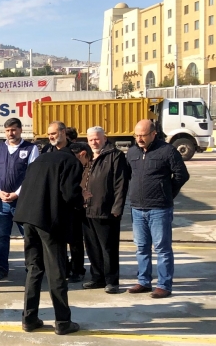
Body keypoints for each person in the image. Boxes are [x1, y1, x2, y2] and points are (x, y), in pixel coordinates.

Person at [13, 144, 84, 335]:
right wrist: (82, 198)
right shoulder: (72, 162)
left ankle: (29, 319)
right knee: (56, 271)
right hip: (49, 222)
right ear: (82, 154)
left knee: (34, 269)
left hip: (28, 217)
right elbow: (69, 193)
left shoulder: (40, 160)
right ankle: (63, 321)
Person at [127, 119, 190, 298]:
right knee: (141, 247)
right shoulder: (132, 152)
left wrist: (167, 193)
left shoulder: (167, 151)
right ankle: (143, 281)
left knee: (162, 248)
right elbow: (129, 175)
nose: (139, 139)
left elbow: (182, 175)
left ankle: (164, 285)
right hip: (137, 208)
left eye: (143, 135)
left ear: (153, 134)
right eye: (136, 135)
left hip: (159, 209)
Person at [81, 126, 130, 294]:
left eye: (96, 139)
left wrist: (117, 207)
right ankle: (97, 277)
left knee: (108, 248)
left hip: (106, 209)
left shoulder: (115, 156)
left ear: (104, 138)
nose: (94, 142)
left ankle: (111, 281)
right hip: (87, 209)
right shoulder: (87, 156)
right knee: (92, 247)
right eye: (90, 139)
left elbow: (121, 183)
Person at [0, 118, 39, 280]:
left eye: (13, 130)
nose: (10, 133)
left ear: (20, 130)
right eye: (7, 130)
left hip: (22, 201)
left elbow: (32, 176)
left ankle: (31, 268)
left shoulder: (31, 149)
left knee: (28, 236)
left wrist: (17, 194)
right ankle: (1, 268)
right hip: (1, 201)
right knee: (1, 236)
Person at [68, 142, 93, 282]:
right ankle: (70, 268)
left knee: (78, 241)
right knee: (73, 240)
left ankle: (77, 269)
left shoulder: (88, 166)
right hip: (73, 205)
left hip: (82, 206)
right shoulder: (72, 164)